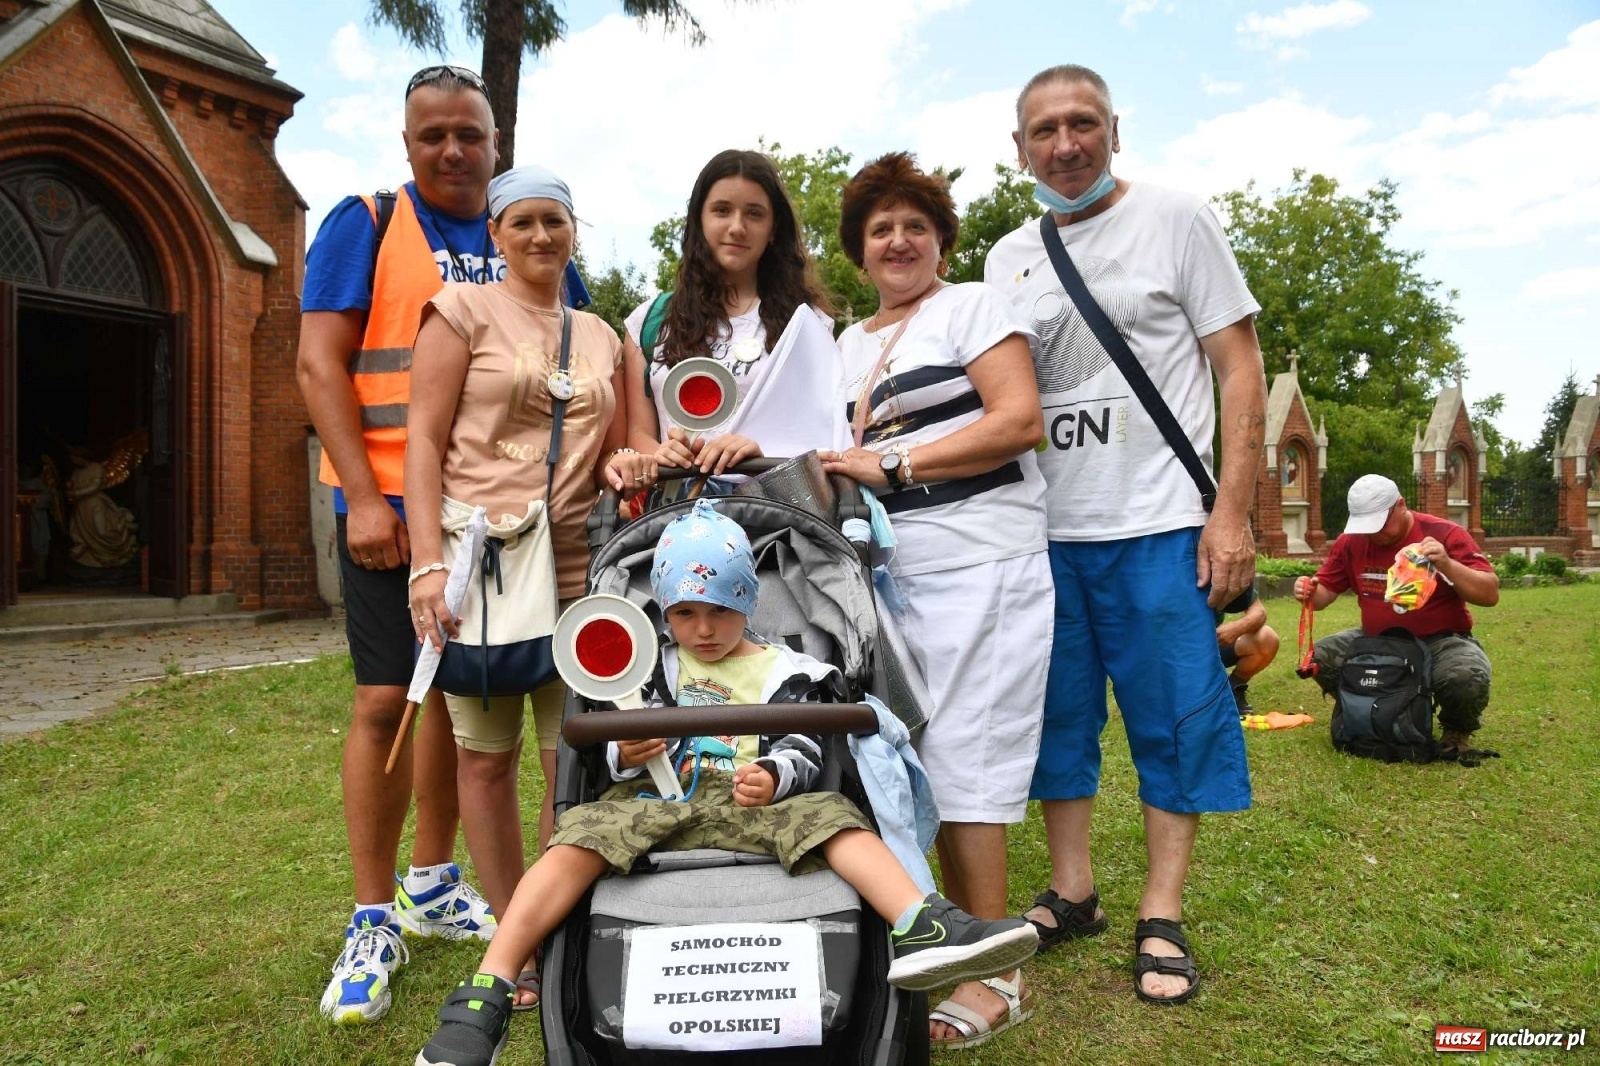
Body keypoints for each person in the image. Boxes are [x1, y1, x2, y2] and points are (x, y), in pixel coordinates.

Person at [413, 499, 1039, 1066]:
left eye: (720, 611)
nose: (703, 630)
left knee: (839, 821)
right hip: (656, 800)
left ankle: (927, 924)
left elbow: (805, 742)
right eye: (685, 614)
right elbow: (610, 747)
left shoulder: (788, 671)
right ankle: (489, 988)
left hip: (758, 804)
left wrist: (775, 771)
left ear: (746, 602)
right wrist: (627, 752)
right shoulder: (644, 665)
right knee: (575, 834)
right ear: (663, 609)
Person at [984, 64, 1266, 1006]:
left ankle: (1163, 911)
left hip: (1157, 526)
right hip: (1043, 533)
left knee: (1173, 719)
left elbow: (1240, 369)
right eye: (1044, 131)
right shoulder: (1005, 256)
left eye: (1083, 124)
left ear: (1115, 129)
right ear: (1017, 147)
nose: (1065, 145)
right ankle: (1073, 892)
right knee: (1057, 720)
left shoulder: (1178, 219)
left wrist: (1232, 513)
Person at [404, 164, 657, 1012]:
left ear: (574, 230)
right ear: (498, 233)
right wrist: (425, 564)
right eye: (523, 223)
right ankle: (511, 934)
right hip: (481, 564)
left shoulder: (601, 335)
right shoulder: (459, 311)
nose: (541, 236)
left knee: (570, 764)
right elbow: (421, 443)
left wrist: (631, 466)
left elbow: (624, 447)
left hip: (577, 568)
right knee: (485, 759)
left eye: (556, 220)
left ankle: (555, 932)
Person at [817, 152, 1051, 1048]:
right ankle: (945, 936)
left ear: (942, 239)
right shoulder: (847, 342)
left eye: (916, 225)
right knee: (909, 761)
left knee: (968, 762)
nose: (899, 240)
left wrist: (900, 460)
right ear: (859, 250)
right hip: (887, 575)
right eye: (881, 229)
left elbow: (1017, 418)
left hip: (982, 561)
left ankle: (995, 976)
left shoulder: (975, 307)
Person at [297, 64, 513, 1025]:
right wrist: (366, 497)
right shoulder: (369, 221)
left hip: (496, 521)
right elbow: (318, 361)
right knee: (388, 697)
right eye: (434, 135)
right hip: (389, 508)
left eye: (469, 133)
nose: (454, 150)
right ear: (408, 144)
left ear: (496, 143)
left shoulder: (522, 228)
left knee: (456, 700)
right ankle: (373, 914)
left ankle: (433, 881)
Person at [621, 149, 837, 479]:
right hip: (671, 520)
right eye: (722, 210)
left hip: (774, 517)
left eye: (754, 214)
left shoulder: (808, 324)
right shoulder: (649, 321)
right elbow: (637, 433)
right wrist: (661, 454)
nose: (737, 227)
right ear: (699, 218)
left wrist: (762, 452)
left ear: (774, 227)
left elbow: (823, 439)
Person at [1292, 474, 1498, 753]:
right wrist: (1308, 591)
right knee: (1320, 659)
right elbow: (1323, 594)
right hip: (1378, 640)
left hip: (1440, 640)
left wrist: (1446, 564)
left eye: (1380, 523)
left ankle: (1456, 731)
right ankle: (1365, 708)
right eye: (1366, 525)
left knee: (1465, 676)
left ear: (1401, 504)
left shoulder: (1445, 534)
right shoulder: (1350, 542)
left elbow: (1489, 594)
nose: (1373, 533)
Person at [1216, 586, 1280, 716]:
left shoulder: (1221, 570)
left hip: (1212, 644)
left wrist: (1236, 628)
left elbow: (1258, 612)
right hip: (1171, 651)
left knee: (1266, 638)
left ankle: (1233, 689)